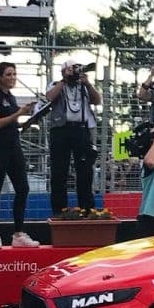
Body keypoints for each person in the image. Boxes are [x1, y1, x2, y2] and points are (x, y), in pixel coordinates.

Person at [0, 62, 38, 248]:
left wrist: (26, 120)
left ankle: (19, 232)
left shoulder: (11, 97)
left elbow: (11, 123)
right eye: (9, 74)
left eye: (14, 74)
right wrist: (18, 113)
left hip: (14, 146)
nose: (12, 77)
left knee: (23, 188)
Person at [45, 59, 102, 216]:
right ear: (63, 70)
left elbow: (97, 100)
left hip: (81, 130)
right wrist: (64, 80)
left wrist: (88, 84)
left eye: (75, 68)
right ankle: (59, 210)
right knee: (59, 172)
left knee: (85, 171)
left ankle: (87, 209)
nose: (74, 71)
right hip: (60, 130)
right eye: (70, 69)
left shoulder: (83, 86)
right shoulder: (56, 83)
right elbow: (49, 97)